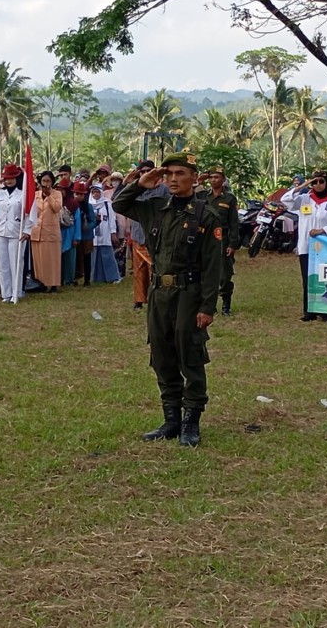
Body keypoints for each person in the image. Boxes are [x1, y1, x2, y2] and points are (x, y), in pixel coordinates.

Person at [112, 152, 223, 447]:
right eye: (169, 174)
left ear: (194, 178)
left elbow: (214, 267)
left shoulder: (205, 215)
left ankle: (191, 421)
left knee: (190, 355)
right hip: (159, 294)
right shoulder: (155, 208)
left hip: (189, 294)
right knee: (161, 355)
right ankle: (171, 419)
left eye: (180, 174)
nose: (173, 179)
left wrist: (208, 306)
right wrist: (141, 183)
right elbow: (119, 204)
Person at [281, 170, 327, 321]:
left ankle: (326, 312)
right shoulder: (304, 199)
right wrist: (304, 185)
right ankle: (309, 311)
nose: (318, 185)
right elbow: (285, 200)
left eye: (321, 181)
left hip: (325, 248)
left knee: (325, 278)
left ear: (326, 183)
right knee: (308, 279)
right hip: (306, 246)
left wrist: (323, 230)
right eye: (315, 182)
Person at [0, 163, 36, 302]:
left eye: (12, 177)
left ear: (17, 178)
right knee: (3, 265)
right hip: (0, 231)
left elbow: (30, 213)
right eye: (7, 178)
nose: (9, 180)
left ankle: (16, 293)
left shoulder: (23, 194)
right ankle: (6, 294)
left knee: (16, 264)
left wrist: (27, 230)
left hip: (16, 232)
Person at [198, 166, 241, 315]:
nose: (213, 180)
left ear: (223, 179)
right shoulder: (203, 196)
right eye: (211, 177)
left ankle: (226, 305)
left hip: (223, 239)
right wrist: (198, 181)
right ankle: (208, 304)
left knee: (224, 274)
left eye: (216, 177)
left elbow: (234, 223)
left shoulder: (229, 198)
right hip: (205, 239)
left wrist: (233, 243)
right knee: (204, 273)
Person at [126, 161, 163, 310]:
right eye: (141, 172)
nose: (144, 174)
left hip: (154, 236)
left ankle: (155, 298)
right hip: (137, 235)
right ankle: (139, 300)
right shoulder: (135, 189)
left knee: (153, 269)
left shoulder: (162, 190)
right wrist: (127, 183)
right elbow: (117, 200)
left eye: (148, 171)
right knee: (138, 270)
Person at [30, 171, 63, 292]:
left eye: (48, 181)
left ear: (52, 182)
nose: (46, 183)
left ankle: (53, 284)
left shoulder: (57, 194)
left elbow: (57, 209)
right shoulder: (35, 195)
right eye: (44, 181)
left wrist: (49, 196)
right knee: (39, 260)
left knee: (52, 259)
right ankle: (40, 283)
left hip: (51, 232)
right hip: (37, 231)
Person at [90, 182, 121, 283]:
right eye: (93, 192)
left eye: (97, 192)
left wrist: (113, 232)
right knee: (95, 256)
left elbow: (111, 219)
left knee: (107, 255)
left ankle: (112, 277)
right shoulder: (89, 204)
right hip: (94, 235)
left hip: (105, 233)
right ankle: (96, 277)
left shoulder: (107, 204)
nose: (95, 194)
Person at [55, 177, 81, 286]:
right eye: (59, 189)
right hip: (57, 233)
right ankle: (58, 279)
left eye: (63, 190)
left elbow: (77, 221)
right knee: (57, 259)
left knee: (70, 259)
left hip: (70, 234)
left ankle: (69, 279)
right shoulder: (55, 202)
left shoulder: (73, 204)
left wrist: (76, 237)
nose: (61, 192)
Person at [72, 179, 97, 286]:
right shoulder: (72, 205)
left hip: (86, 236)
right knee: (75, 258)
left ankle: (87, 279)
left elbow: (94, 221)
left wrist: (87, 227)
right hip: (74, 236)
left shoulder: (88, 206)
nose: (79, 196)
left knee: (87, 258)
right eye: (77, 194)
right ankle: (74, 278)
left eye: (81, 194)